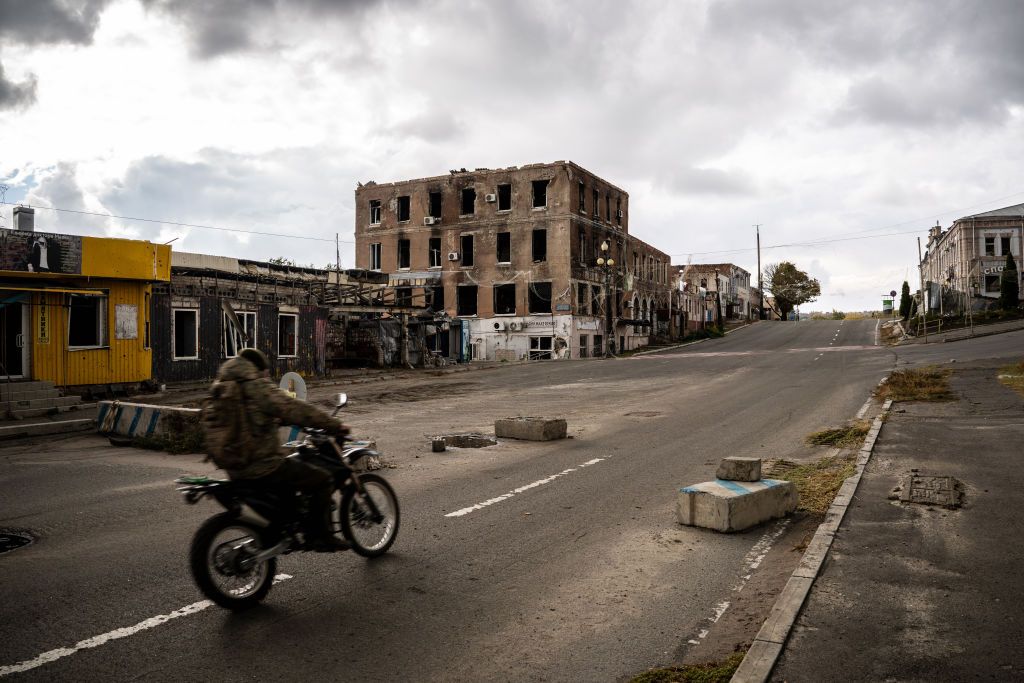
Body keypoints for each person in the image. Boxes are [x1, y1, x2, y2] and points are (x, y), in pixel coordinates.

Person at [213, 348, 350, 551]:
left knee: (290, 488)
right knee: (322, 479)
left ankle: (285, 529)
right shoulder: (256, 386)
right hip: (264, 466)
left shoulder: (222, 388)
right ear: (258, 369)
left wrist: (276, 420)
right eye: (266, 372)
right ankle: (320, 536)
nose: (268, 376)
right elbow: (296, 408)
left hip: (234, 467)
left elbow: (246, 420)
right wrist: (334, 425)